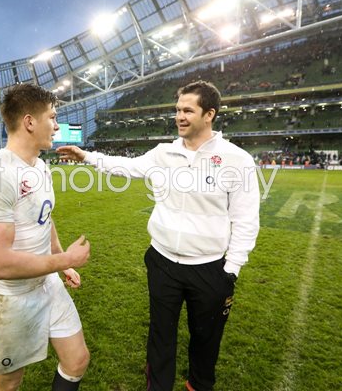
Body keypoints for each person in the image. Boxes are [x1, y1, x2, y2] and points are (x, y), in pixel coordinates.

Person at [57, 80, 260, 391]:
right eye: (177, 110)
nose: (179, 116)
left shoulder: (237, 160)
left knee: (206, 339)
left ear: (209, 114)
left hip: (210, 269)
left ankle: (198, 385)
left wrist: (230, 270)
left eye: (188, 110)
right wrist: (87, 157)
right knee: (160, 335)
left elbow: (246, 220)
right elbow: (125, 167)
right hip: (162, 261)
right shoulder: (163, 153)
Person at [0, 83, 91, 391]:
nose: (57, 124)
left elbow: (44, 219)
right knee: (10, 382)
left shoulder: (40, 167)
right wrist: (65, 259)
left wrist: (62, 266)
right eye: (52, 116)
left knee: (76, 360)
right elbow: (0, 265)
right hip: (12, 296)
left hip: (46, 282)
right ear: (29, 122)